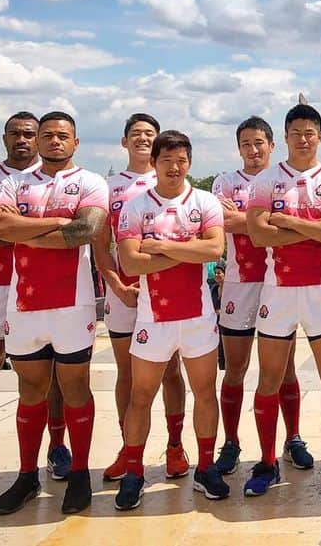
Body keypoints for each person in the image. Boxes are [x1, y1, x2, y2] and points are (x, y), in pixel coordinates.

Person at [0, 111, 108, 516]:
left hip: (73, 303)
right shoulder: (11, 181)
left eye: (63, 136)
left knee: (75, 390)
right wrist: (58, 223)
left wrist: (26, 228)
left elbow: (86, 231)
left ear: (75, 143)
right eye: (48, 135)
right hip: (24, 304)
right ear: (36, 141)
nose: (55, 141)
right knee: (30, 392)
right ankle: (26, 476)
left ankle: (78, 474)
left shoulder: (90, 182)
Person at [112, 130, 229, 510]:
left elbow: (214, 248)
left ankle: (207, 467)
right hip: (153, 317)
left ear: (189, 163)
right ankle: (134, 473)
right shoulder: (135, 206)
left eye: (181, 161)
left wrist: (161, 246)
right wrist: (188, 251)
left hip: (198, 318)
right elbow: (129, 262)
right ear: (155, 163)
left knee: (205, 394)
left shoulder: (206, 201)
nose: (174, 168)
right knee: (140, 396)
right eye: (167, 161)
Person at [243, 104, 321, 497]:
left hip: (320, 291)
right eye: (296, 132)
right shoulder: (267, 180)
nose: (303, 139)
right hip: (278, 289)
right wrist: (315, 230)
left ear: (320, 136)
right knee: (268, 380)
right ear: (285, 136)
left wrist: (288, 222)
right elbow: (258, 236)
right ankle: (268, 460)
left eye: (310, 132)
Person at [0, 112, 71, 491]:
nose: (23, 140)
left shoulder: (52, 178)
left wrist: (10, 227)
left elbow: (72, 229)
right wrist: (37, 231)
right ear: (4, 137)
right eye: (15, 134)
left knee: (53, 371)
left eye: (29, 134)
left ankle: (57, 447)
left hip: (40, 284)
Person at [93, 114, 189, 483]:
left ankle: (175, 446)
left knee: (170, 371)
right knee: (128, 376)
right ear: (124, 142)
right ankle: (128, 449)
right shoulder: (109, 187)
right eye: (136, 134)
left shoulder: (171, 179)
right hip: (125, 294)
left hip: (166, 293)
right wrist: (117, 287)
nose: (143, 140)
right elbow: (102, 246)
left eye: (150, 134)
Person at [212, 117, 310, 476]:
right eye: (245, 145)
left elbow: (246, 222)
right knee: (235, 368)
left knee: (283, 368)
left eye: (258, 144)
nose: (253, 151)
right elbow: (226, 223)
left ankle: (293, 437)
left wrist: (247, 219)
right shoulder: (224, 181)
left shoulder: (283, 180)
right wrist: (265, 220)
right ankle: (232, 441)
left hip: (276, 283)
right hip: (239, 284)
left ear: (272, 146)